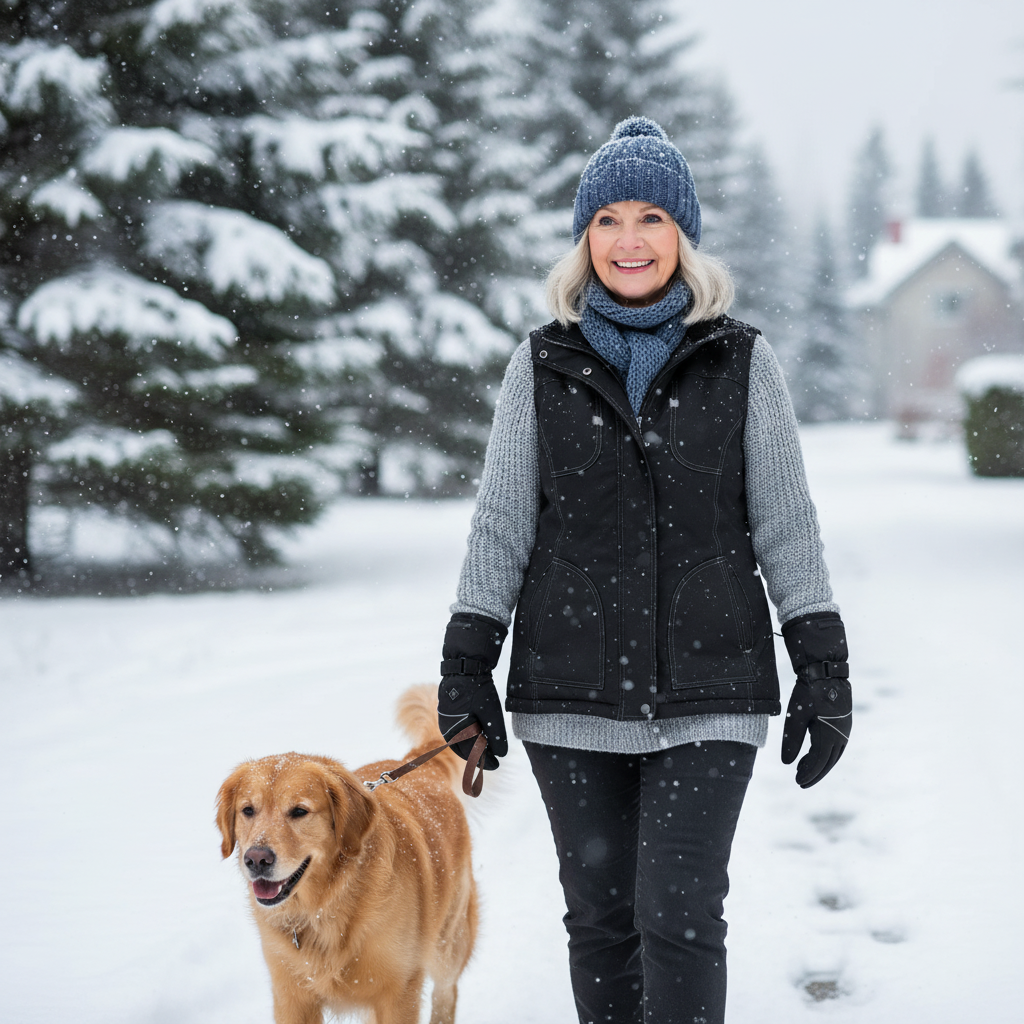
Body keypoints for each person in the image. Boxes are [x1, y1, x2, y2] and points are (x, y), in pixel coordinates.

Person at [437, 117, 852, 1024]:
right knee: (602, 922)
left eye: (652, 218)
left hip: (712, 690)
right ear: (585, 238)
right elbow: (500, 526)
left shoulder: (742, 361)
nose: (630, 240)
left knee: (680, 917)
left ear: (683, 236)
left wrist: (822, 666)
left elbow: (786, 525)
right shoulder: (539, 365)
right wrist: (467, 663)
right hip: (567, 695)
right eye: (609, 219)